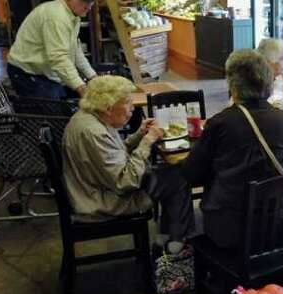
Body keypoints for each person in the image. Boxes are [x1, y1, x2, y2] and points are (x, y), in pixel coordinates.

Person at [180, 50, 283, 249]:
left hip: (232, 232)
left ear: (233, 86)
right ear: (269, 83)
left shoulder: (220, 123)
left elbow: (191, 174)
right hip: (281, 226)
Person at [62, 75, 194, 248]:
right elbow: (126, 181)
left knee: (171, 174)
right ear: (108, 108)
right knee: (178, 178)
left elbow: (114, 154)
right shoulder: (94, 132)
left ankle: (170, 239)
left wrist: (139, 134)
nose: (132, 109)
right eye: (127, 103)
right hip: (102, 201)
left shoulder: (89, 117)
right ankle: (176, 247)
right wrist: (147, 142)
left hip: (98, 187)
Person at [7, 0, 97, 99]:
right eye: (83, 1)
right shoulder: (56, 17)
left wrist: (93, 77)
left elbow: (75, 49)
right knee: (50, 112)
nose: (89, 6)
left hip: (44, 72)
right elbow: (58, 57)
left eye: (90, 2)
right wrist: (81, 88)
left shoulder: (72, 15)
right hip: (27, 73)